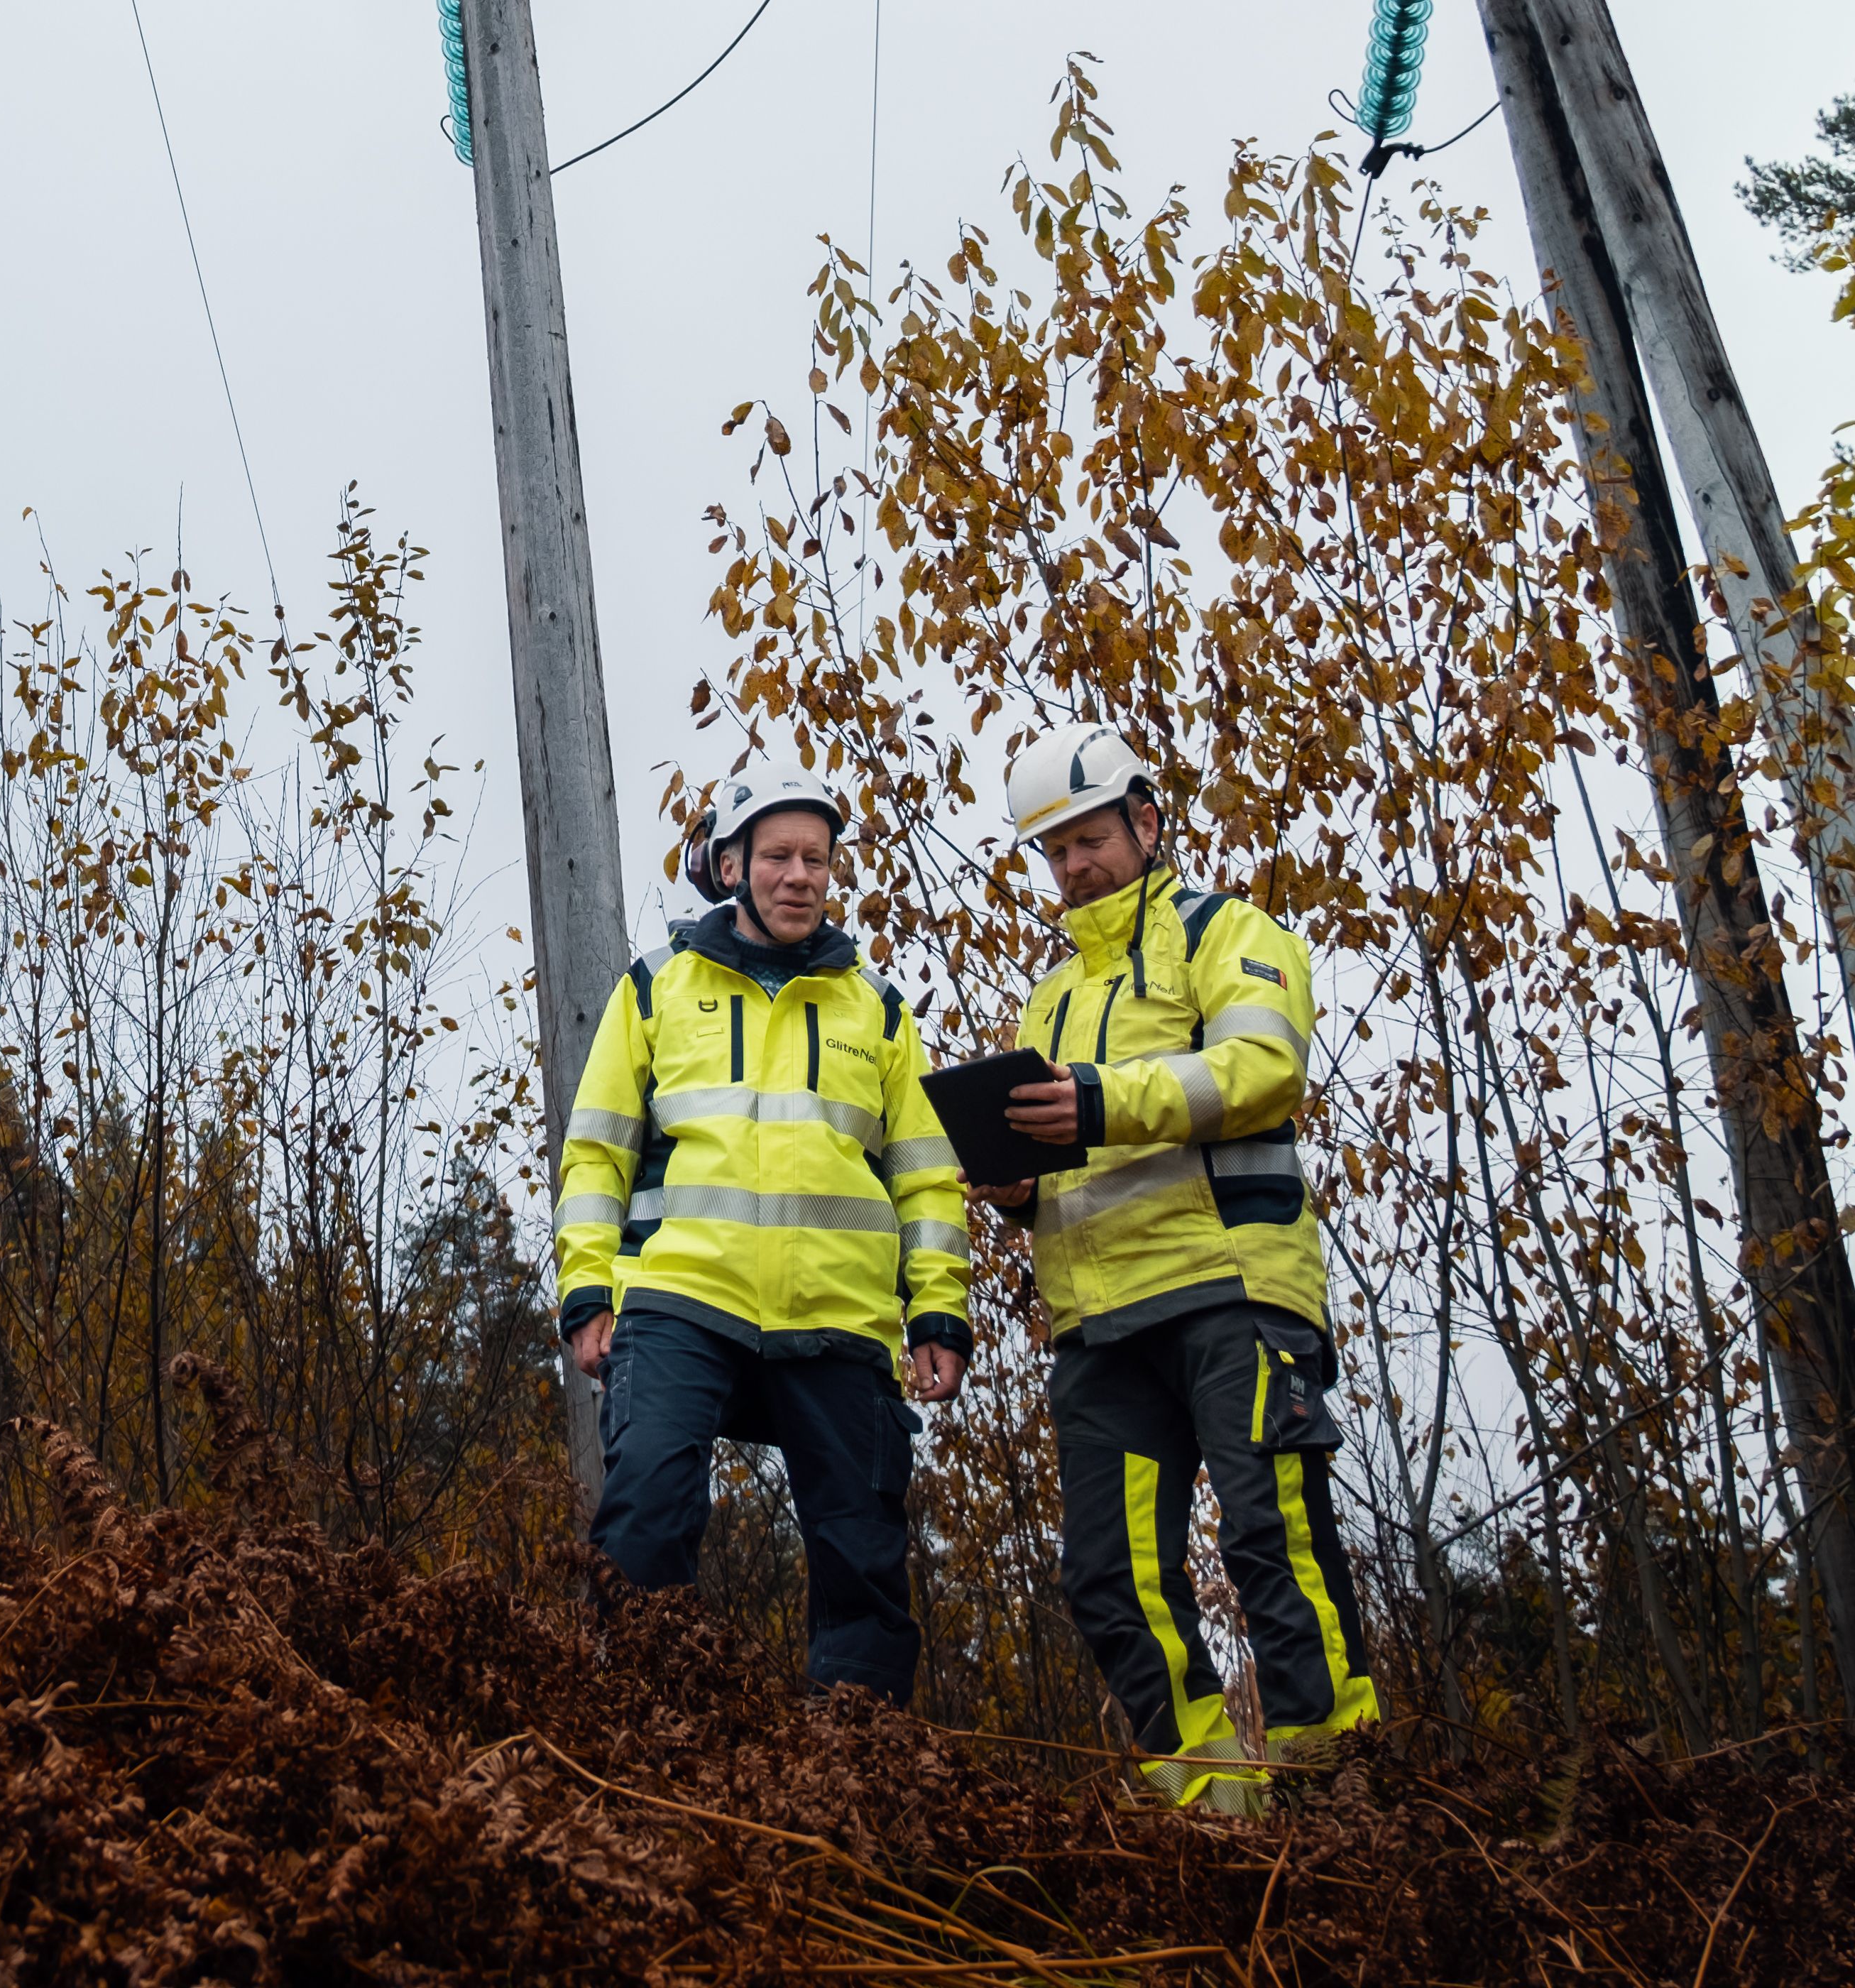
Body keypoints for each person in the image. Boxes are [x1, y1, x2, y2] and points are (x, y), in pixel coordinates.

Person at [976, 723, 1376, 1807]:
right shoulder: (1049, 1000)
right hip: (1098, 1326)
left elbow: (1260, 1069)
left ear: (1147, 824)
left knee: (1268, 1536)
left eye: (1089, 839)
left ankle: (1335, 1791)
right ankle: (1211, 1808)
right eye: (1053, 851)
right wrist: (1018, 1188)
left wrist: (1099, 1102)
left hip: (1231, 1289)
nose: (1072, 867)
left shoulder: (1229, 932)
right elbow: (1063, 1159)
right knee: (1109, 1579)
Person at [556, 766, 973, 1700]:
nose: (800, 876)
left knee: (862, 1553)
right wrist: (588, 1292)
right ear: (732, 865)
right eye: (779, 856)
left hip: (841, 1315)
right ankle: (648, 1725)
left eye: (816, 860)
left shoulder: (880, 1010)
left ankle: (856, 1767)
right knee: (646, 1511)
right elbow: (596, 1156)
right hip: (680, 1301)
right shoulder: (657, 989)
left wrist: (940, 1313)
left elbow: (926, 1179)